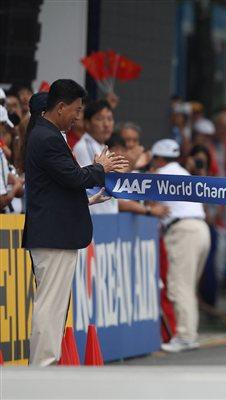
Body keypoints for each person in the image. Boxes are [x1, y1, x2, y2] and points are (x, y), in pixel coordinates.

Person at [23, 80, 128, 366]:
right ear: (60, 107)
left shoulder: (47, 135)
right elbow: (74, 178)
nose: (77, 117)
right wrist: (100, 169)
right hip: (53, 235)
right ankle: (42, 367)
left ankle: (47, 363)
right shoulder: (47, 138)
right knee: (50, 305)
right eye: (76, 110)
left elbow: (60, 187)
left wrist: (87, 200)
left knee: (55, 305)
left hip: (56, 232)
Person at [151, 139, 211, 352]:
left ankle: (186, 336)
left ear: (157, 158)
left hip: (183, 230)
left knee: (180, 286)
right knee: (187, 285)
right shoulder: (184, 173)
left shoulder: (159, 175)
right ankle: (188, 333)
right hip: (201, 229)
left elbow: (147, 202)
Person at [73, 99, 119, 214]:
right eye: (100, 119)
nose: (106, 124)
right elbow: (89, 182)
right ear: (87, 123)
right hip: (94, 216)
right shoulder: (83, 146)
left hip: (108, 216)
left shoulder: (103, 147)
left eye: (109, 119)